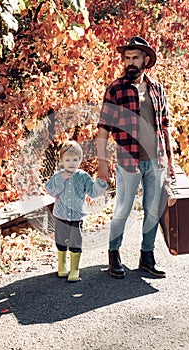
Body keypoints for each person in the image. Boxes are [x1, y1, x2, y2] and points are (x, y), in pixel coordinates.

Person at [97, 36, 175, 279]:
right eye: (127, 58)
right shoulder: (115, 89)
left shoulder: (157, 89)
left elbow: (165, 126)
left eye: (135, 58)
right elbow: (103, 128)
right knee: (123, 209)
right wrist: (102, 161)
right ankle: (114, 254)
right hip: (128, 160)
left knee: (152, 209)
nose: (130, 62)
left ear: (145, 61)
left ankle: (147, 256)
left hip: (156, 159)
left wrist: (170, 161)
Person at [45, 140, 108, 282]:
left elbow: (92, 193)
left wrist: (101, 183)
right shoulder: (58, 175)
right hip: (61, 214)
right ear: (62, 161)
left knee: (75, 242)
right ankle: (62, 265)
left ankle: (74, 269)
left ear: (80, 160)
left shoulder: (83, 176)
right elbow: (50, 190)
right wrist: (60, 180)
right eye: (68, 160)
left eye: (75, 160)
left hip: (77, 216)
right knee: (61, 240)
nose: (71, 163)